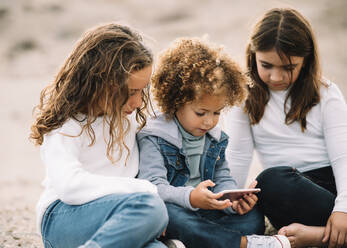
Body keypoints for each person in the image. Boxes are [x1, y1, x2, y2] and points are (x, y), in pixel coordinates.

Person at [137, 37, 292, 248]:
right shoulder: (154, 136)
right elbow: (154, 186)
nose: (209, 121)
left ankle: (193, 242)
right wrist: (191, 198)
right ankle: (244, 244)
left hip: (206, 213)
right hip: (177, 209)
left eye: (217, 112)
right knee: (169, 214)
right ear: (175, 101)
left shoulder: (215, 138)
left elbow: (222, 176)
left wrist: (231, 201)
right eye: (201, 113)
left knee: (252, 218)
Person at [29, 23, 169, 248]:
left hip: (119, 217)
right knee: (150, 207)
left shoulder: (129, 116)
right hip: (63, 217)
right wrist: (143, 189)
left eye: (143, 90)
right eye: (131, 92)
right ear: (101, 84)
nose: (139, 102)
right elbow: (69, 186)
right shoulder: (67, 123)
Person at [226, 8, 347, 248]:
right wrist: (231, 199)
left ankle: (318, 235)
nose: (276, 76)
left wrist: (343, 209)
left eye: (288, 67)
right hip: (287, 191)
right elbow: (237, 157)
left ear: (307, 60)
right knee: (267, 184)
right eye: (266, 65)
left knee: (271, 179)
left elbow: (343, 157)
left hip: (330, 188)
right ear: (253, 55)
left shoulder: (326, 94)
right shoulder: (244, 97)